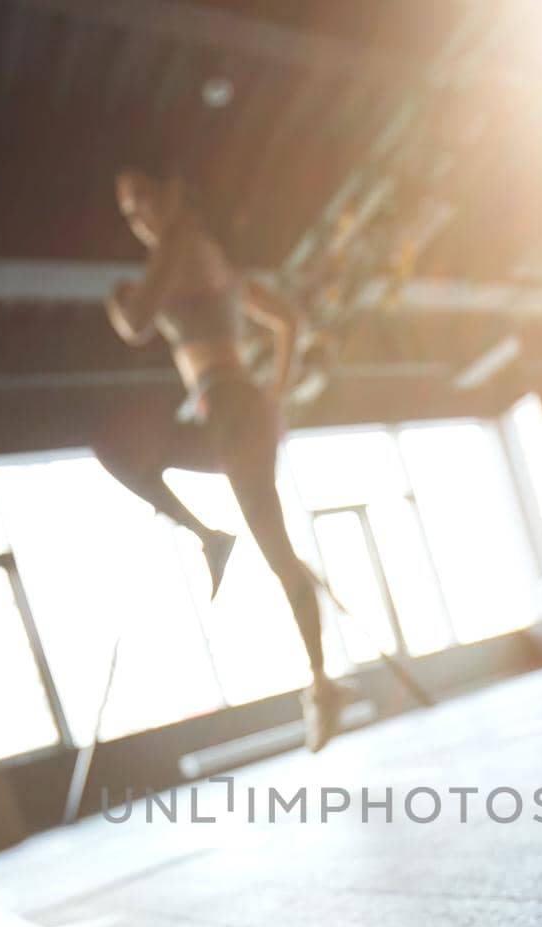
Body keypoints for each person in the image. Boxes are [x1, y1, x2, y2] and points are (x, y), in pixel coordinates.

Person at [96, 169, 344, 753]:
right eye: (129, 214)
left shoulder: (180, 244)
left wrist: (115, 300)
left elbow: (134, 325)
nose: (140, 221)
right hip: (220, 416)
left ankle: (321, 684)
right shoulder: (216, 263)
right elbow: (288, 319)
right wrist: (276, 391)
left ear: (175, 193)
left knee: (278, 551)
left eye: (144, 202)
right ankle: (210, 538)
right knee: (118, 448)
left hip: (237, 410)